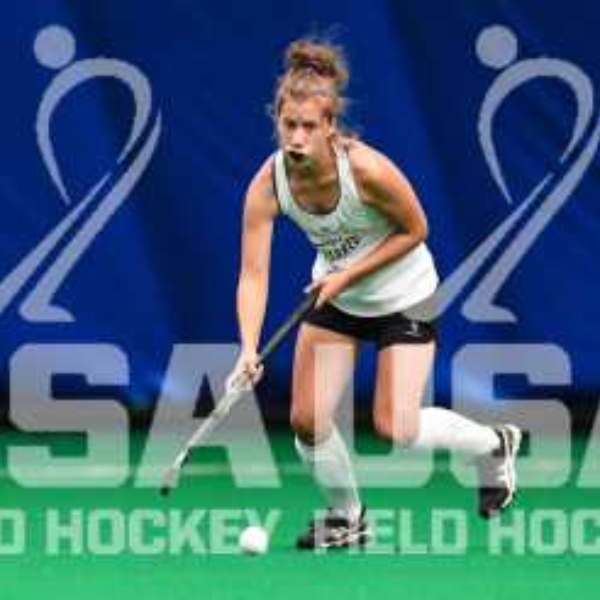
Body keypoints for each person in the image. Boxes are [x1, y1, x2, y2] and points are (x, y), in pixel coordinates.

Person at [232, 37, 521, 550]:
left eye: (308, 126)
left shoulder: (366, 170)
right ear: (276, 121)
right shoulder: (267, 185)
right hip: (339, 299)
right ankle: (348, 518)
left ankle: (492, 444)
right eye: (288, 125)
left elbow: (416, 229)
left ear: (330, 127)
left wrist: (345, 276)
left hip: (403, 295)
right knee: (306, 419)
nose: (296, 137)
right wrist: (249, 347)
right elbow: (253, 275)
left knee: (396, 427)